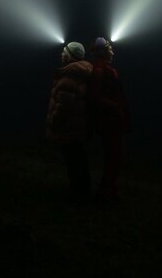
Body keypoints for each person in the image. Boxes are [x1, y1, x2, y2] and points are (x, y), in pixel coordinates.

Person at [46, 41, 93, 203]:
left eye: (63, 52)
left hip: (68, 128)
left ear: (70, 56)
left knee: (73, 161)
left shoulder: (69, 77)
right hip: (77, 127)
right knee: (79, 159)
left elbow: (63, 106)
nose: (60, 54)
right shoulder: (81, 74)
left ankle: (78, 196)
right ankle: (83, 192)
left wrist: (53, 121)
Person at [88, 36, 131, 203]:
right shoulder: (100, 71)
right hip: (109, 121)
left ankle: (110, 191)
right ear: (103, 52)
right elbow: (94, 96)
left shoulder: (104, 70)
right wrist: (114, 107)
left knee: (114, 157)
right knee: (114, 157)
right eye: (110, 49)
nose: (113, 52)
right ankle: (105, 195)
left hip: (111, 120)